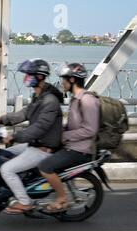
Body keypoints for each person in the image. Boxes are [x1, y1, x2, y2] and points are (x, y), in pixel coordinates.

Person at [0, 59, 64, 214]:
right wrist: (0, 120)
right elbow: (24, 113)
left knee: (6, 169)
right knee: (6, 154)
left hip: (43, 148)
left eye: (29, 74)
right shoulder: (39, 97)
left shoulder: (50, 101)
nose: (26, 78)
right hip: (35, 143)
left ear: (39, 76)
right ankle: (22, 185)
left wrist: (14, 136)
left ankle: (25, 202)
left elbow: (40, 128)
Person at [39, 63, 100, 212]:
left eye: (64, 79)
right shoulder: (75, 99)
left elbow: (90, 130)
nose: (62, 83)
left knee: (45, 167)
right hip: (71, 145)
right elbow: (73, 125)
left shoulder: (88, 100)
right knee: (38, 152)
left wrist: (65, 135)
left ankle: (62, 198)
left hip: (80, 150)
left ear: (72, 80)